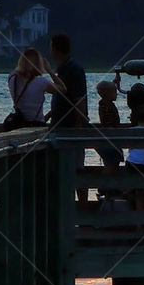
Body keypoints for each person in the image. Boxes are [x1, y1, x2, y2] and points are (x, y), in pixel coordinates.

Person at [49, 33, 89, 203]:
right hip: (60, 125)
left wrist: (78, 127)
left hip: (71, 127)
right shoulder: (63, 69)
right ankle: (69, 206)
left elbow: (79, 100)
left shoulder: (74, 69)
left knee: (77, 169)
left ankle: (83, 207)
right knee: (63, 169)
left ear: (55, 49)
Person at [6, 47, 64, 127]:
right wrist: (50, 71)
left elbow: (17, 71)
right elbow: (62, 89)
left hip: (18, 122)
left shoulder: (12, 78)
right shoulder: (41, 82)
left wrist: (24, 65)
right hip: (36, 124)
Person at [125, 104, 144, 210]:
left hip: (130, 162)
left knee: (137, 189)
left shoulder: (131, 131)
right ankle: (140, 223)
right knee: (140, 192)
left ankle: (124, 192)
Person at [95, 78, 123, 174]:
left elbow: (107, 88)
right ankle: (104, 185)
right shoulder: (107, 106)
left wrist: (114, 82)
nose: (117, 94)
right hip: (110, 137)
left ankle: (109, 187)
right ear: (107, 94)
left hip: (109, 137)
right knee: (112, 164)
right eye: (114, 92)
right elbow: (110, 123)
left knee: (112, 163)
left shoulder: (104, 103)